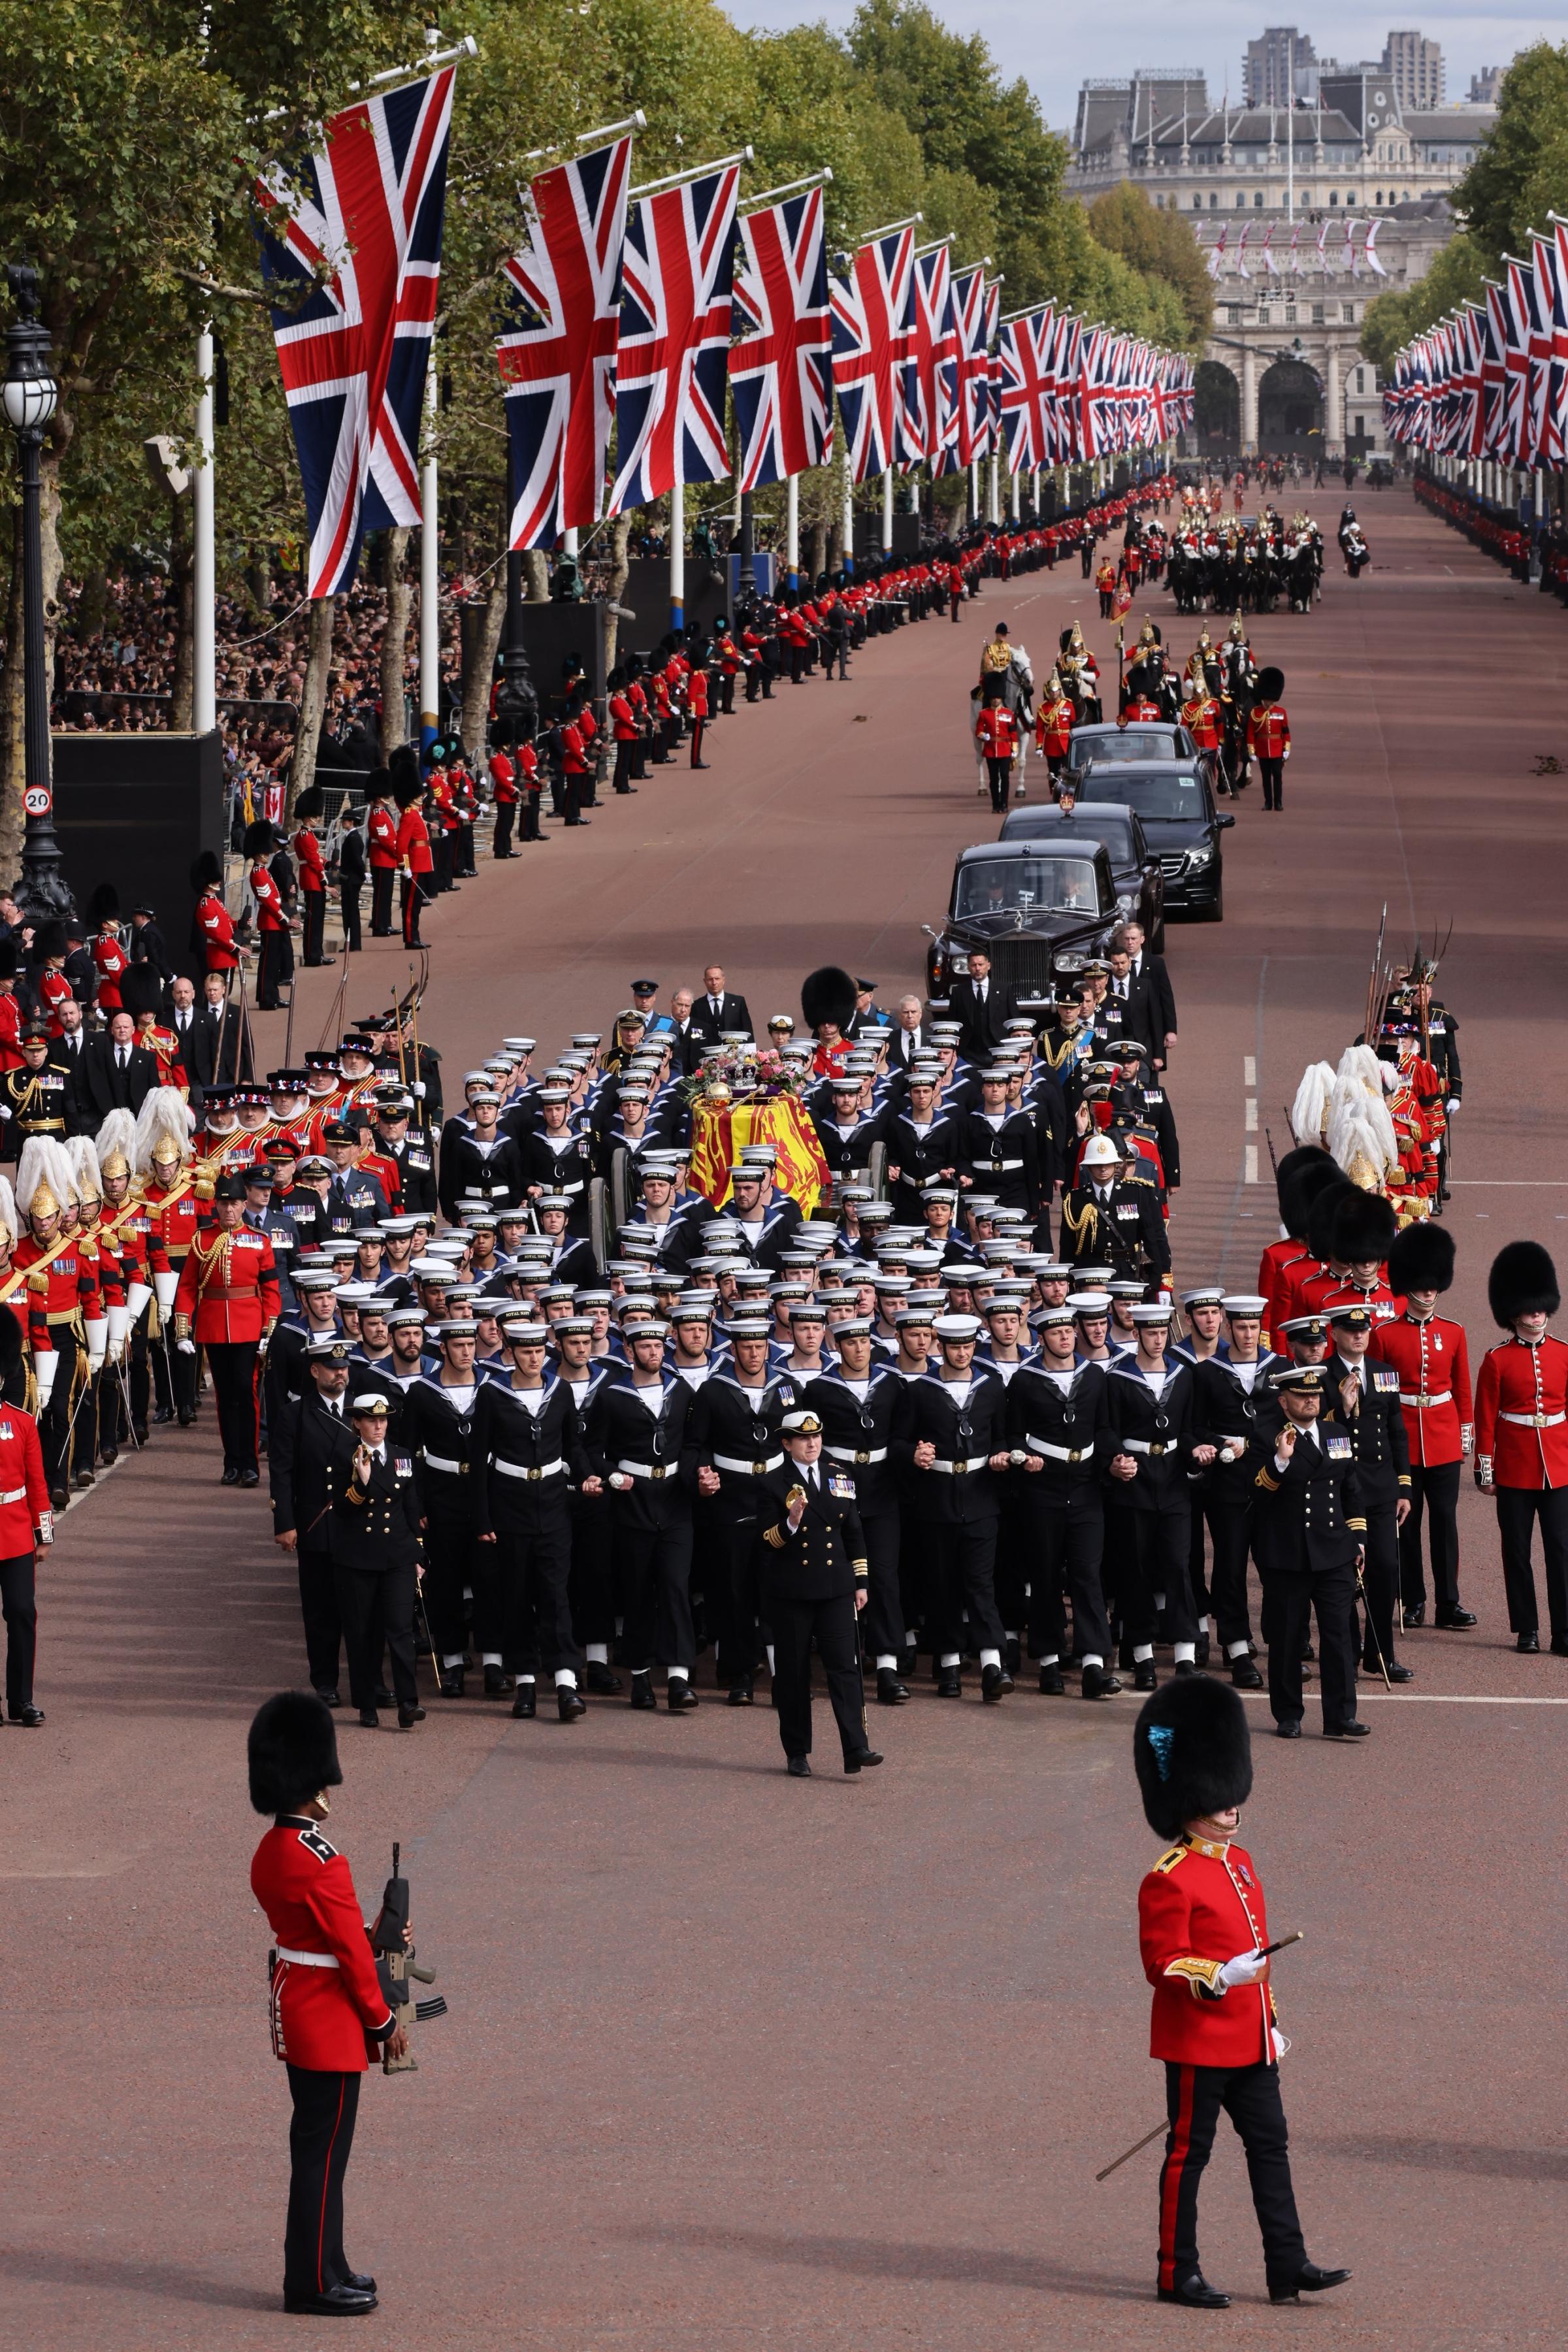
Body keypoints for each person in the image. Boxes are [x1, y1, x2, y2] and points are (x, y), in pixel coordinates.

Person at [1134, 1674, 1350, 2309]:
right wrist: (1215, 1976)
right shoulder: (1168, 1878)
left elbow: (1257, 1951)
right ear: (1192, 1800)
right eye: (1220, 1798)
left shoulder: (1241, 1862)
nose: (1232, 1806)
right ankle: (1176, 2270)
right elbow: (1162, 1964)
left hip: (1250, 2043)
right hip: (1199, 2043)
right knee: (1187, 2158)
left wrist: (1269, 2020)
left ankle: (1288, 2266)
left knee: (1271, 2150)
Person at [247, 1690, 406, 2316]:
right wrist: (386, 2020)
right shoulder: (324, 1862)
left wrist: (376, 1934)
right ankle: (310, 2282)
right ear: (312, 1784)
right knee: (322, 2158)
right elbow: (347, 1957)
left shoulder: (272, 1852)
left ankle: (328, 2263)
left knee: (319, 2153)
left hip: (298, 2010)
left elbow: (323, 1935)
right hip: (332, 2022)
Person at [755, 1409, 881, 1777]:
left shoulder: (840, 1476)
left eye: (816, 1437)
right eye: (803, 1438)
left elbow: (854, 1532)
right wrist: (790, 1524)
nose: (812, 1443)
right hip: (793, 1592)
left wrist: (861, 1582)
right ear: (787, 1444)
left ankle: (856, 1747)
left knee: (846, 1668)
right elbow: (763, 1540)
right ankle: (797, 1751)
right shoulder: (773, 1483)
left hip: (836, 1589)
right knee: (794, 1674)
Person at [1248, 1362, 1367, 1739]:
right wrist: (1280, 1462)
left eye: (1315, 1395)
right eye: (1302, 1396)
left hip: (1334, 1552)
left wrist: (1358, 1538)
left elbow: (1350, 1487)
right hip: (1288, 1555)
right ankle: (1288, 1714)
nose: (1310, 1401)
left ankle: (1340, 1716)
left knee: (1338, 1636)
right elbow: (1254, 1496)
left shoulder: (1336, 1432)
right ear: (1284, 1402)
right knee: (1285, 1638)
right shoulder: (1266, 1436)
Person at [1371, 1220, 1475, 1631]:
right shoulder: (1385, 1334)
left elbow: (1462, 1389)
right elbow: (1381, 1397)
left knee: (1445, 1523)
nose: (1430, 1291)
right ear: (1408, 1284)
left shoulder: (1454, 1332)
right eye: (1423, 1283)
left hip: (1444, 1437)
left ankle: (1448, 1602)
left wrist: (1465, 1433)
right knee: (1408, 1524)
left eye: (1434, 1284)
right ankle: (1412, 1598)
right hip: (1405, 1440)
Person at [1474, 1241, 1568, 1654]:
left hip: (1559, 1465)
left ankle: (1564, 1630)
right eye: (1530, 1308)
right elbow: (1486, 1416)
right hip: (1514, 1467)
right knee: (1517, 1550)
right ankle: (1526, 1628)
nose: (1536, 1314)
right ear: (1514, 1313)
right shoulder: (1497, 1360)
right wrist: (1486, 1469)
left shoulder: (1565, 1354)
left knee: (1561, 1551)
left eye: (1541, 1307)